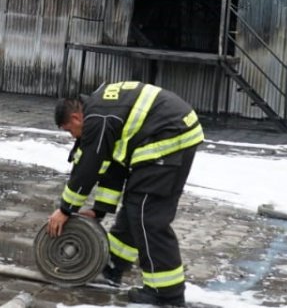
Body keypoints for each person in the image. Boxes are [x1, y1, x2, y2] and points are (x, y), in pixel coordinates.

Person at [47, 81, 205, 307]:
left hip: (167, 137)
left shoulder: (97, 119)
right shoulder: (102, 111)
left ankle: (167, 294)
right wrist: (99, 210)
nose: (73, 137)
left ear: (75, 118)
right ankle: (114, 266)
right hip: (165, 134)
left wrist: (65, 210)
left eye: (70, 131)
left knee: (148, 218)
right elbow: (113, 169)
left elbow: (88, 169)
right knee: (135, 207)